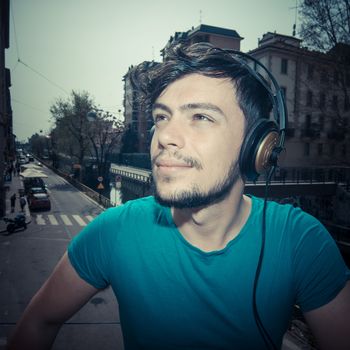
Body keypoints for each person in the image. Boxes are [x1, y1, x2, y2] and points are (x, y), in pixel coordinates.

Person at [8, 43, 350, 350]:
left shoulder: (301, 241)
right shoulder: (114, 230)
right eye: (161, 116)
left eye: (200, 116)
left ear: (257, 147)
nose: (165, 135)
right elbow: (40, 320)